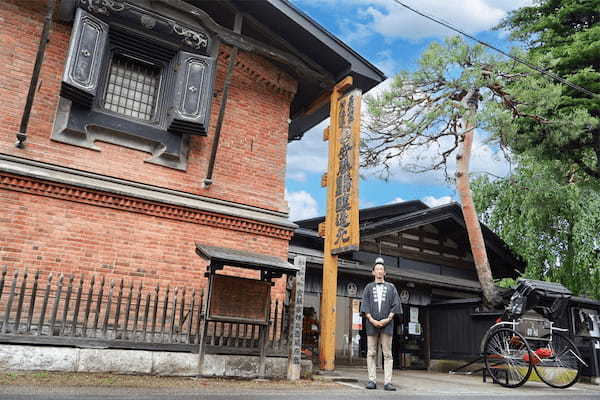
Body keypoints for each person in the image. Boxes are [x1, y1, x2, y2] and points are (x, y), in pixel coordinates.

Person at [360, 257, 402, 391]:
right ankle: (371, 380)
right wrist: (371, 319)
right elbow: (365, 305)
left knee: (387, 354)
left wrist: (388, 319)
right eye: (377, 269)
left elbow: (396, 305)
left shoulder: (391, 287)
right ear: (373, 272)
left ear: (385, 273)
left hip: (387, 324)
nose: (379, 271)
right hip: (371, 324)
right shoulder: (368, 287)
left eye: (381, 269)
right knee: (371, 352)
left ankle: (387, 382)